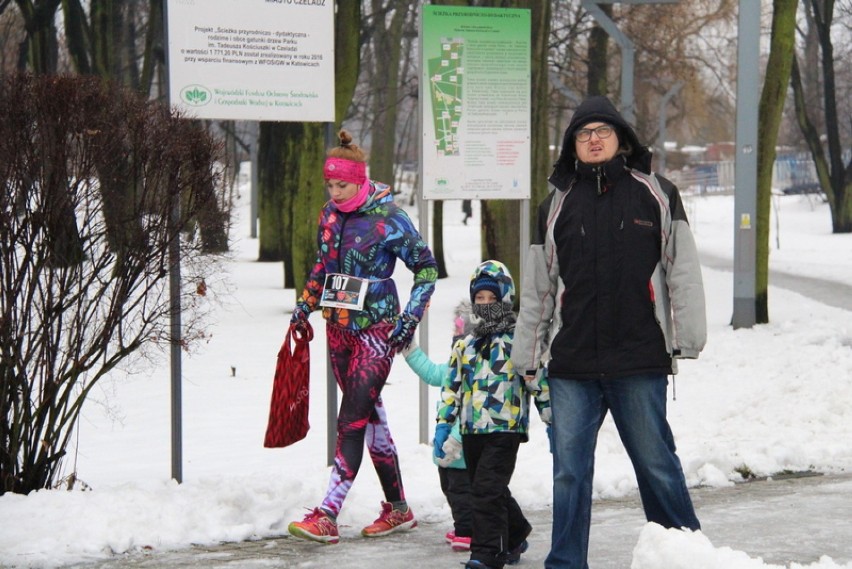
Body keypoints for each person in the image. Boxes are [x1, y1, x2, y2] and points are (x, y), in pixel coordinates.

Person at [513, 95, 707, 569]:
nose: (593, 139)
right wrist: (528, 355)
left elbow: (681, 269)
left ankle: (682, 555)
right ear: (572, 145)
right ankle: (565, 563)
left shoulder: (657, 192)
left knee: (656, 464)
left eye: (602, 131)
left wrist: (688, 334)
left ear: (621, 138)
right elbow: (540, 288)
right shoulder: (555, 205)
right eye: (583, 133)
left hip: (638, 358)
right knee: (568, 475)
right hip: (572, 363)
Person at [287, 129, 438, 544]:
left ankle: (328, 513)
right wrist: (305, 304)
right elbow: (323, 265)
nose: (335, 192)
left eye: (342, 184)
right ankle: (399, 508)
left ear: (360, 179)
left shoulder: (389, 217)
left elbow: (426, 269)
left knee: (350, 420)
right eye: (330, 184)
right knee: (371, 419)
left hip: (377, 330)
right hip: (338, 328)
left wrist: (410, 318)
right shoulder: (329, 215)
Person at [435, 260, 551, 569]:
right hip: (472, 430)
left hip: (506, 428)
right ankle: (515, 533)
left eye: (492, 298)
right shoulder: (466, 345)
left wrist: (551, 418)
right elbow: (452, 386)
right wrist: (443, 424)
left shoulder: (518, 341)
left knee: (485, 490)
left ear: (505, 298)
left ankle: (486, 554)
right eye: (479, 298)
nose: (485, 305)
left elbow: (537, 379)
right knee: (486, 487)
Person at [401, 300, 475, 553]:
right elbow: (431, 372)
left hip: (463, 446)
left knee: (462, 491)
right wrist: (409, 349)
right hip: (446, 449)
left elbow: (470, 410)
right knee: (450, 489)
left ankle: (467, 530)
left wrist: (456, 439)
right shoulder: (451, 368)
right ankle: (464, 525)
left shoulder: (474, 373)